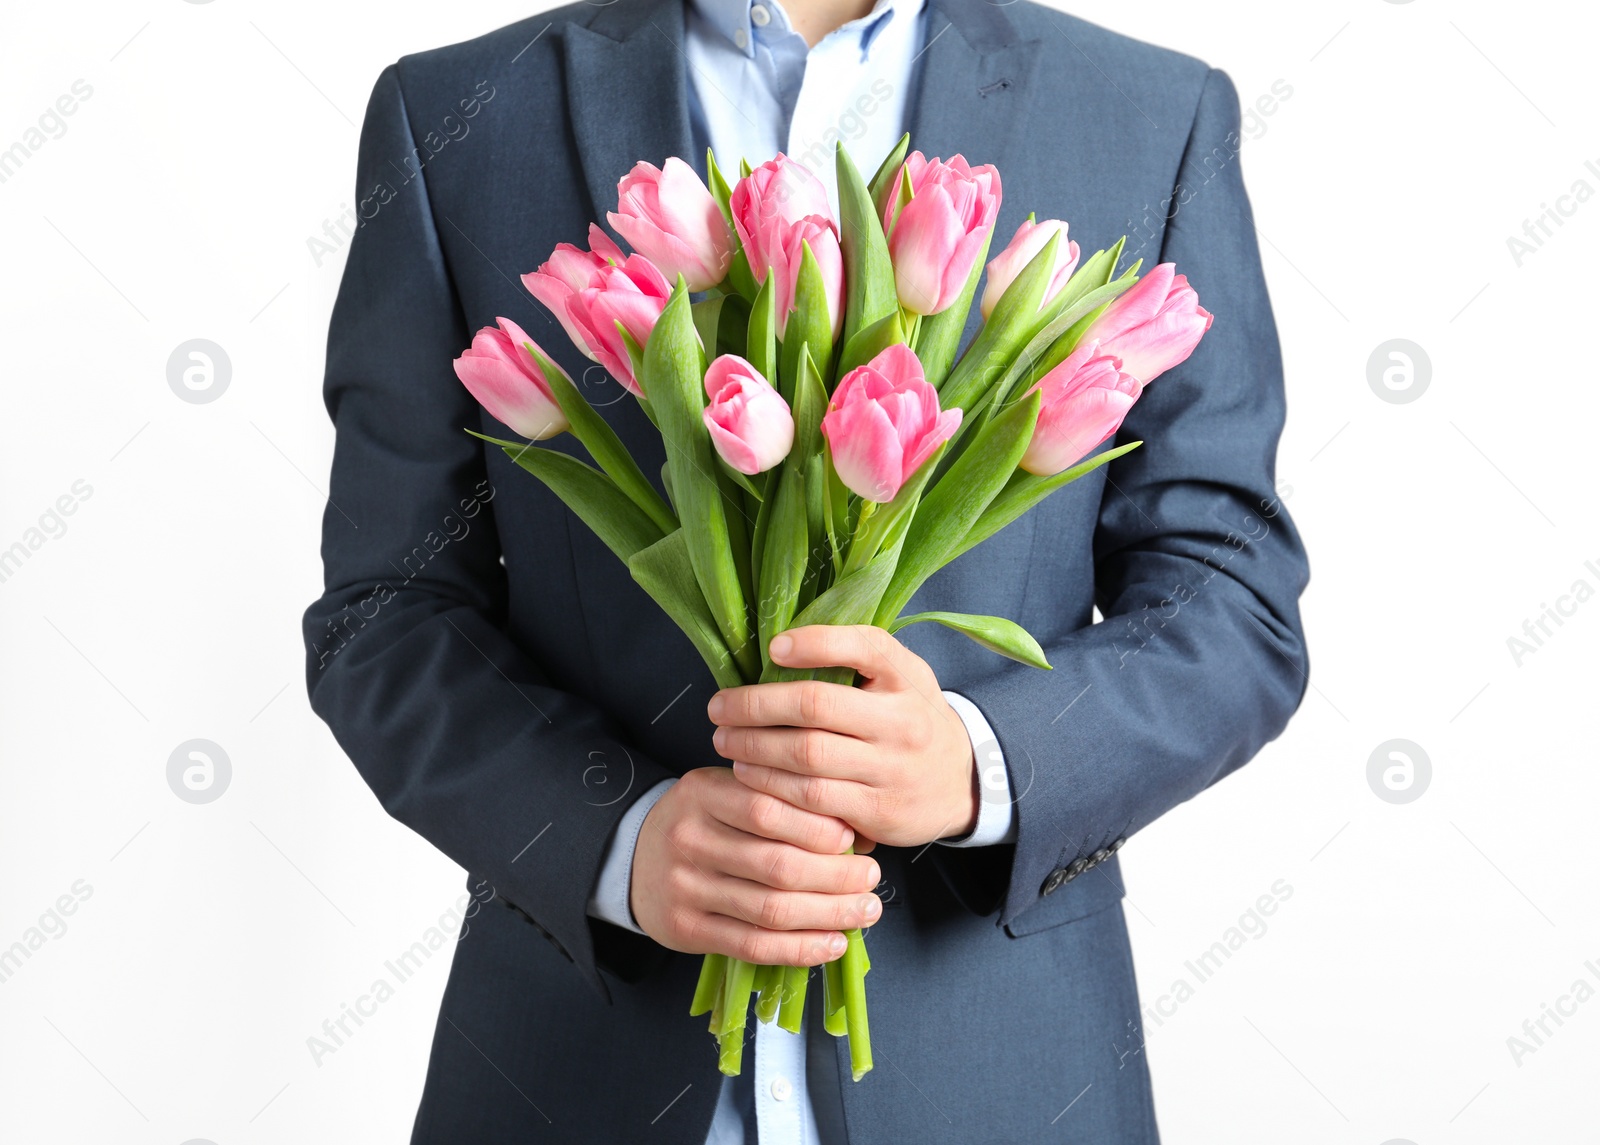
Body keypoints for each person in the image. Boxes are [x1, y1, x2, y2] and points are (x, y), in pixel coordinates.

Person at [302, 0, 1310, 1140]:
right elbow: (385, 609)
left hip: (1006, 1076)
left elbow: (1227, 597)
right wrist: (617, 841)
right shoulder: (457, 115)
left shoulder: (1149, 114)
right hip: (571, 1075)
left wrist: (980, 765)